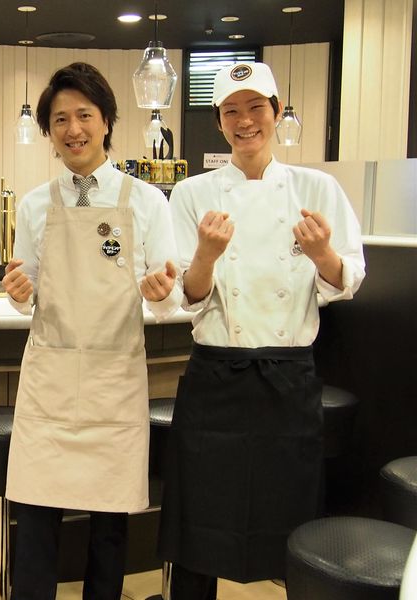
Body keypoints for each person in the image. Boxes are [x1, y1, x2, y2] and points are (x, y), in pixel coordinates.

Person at [157, 62, 366, 599]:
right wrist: (206, 256)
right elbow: (187, 296)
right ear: (219, 122)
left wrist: (322, 254)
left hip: (288, 377)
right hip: (216, 374)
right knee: (199, 516)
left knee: (290, 518)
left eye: (255, 108)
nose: (244, 120)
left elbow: (348, 279)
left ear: (275, 112)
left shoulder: (317, 187)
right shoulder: (191, 193)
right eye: (231, 111)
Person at [3, 62, 183, 599]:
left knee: (109, 525)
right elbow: (25, 292)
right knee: (36, 519)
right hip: (50, 381)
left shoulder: (146, 200)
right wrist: (18, 292)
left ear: (106, 120)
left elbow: (170, 295)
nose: (73, 129)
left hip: (113, 379)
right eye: (60, 119)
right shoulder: (36, 205)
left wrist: (160, 292)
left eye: (84, 115)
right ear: (49, 130)